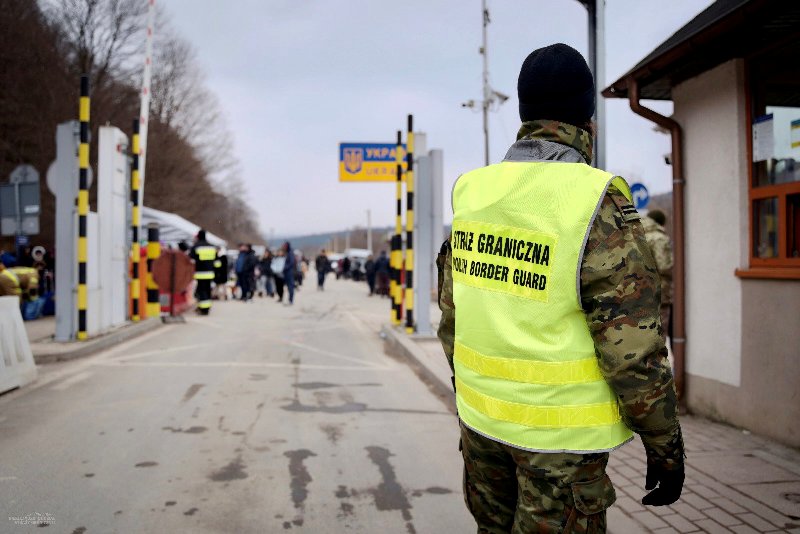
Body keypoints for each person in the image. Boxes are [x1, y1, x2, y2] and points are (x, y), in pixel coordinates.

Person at [436, 43, 684, 533]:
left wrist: (477, 393)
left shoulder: (474, 191)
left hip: (481, 429)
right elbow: (632, 349)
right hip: (561, 448)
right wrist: (664, 443)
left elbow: (452, 319)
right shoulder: (593, 200)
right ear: (587, 116)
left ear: (524, 112)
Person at [642, 209, 673, 345]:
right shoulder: (659, 238)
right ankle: (656, 365)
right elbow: (665, 266)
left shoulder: (635, 235)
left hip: (636, 293)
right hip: (658, 294)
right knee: (659, 334)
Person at [189, 230, 216, 315]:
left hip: (200, 273)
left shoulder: (196, 246)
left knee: (201, 291)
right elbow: (215, 260)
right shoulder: (211, 246)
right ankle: (206, 307)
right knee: (207, 290)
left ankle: (203, 309)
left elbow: (190, 258)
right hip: (210, 273)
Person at [282, 241, 296, 305]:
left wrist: (285, 267)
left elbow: (291, 263)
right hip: (286, 272)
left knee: (290, 286)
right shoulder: (287, 253)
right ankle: (289, 300)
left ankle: (290, 300)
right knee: (288, 287)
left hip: (290, 272)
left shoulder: (290, 253)